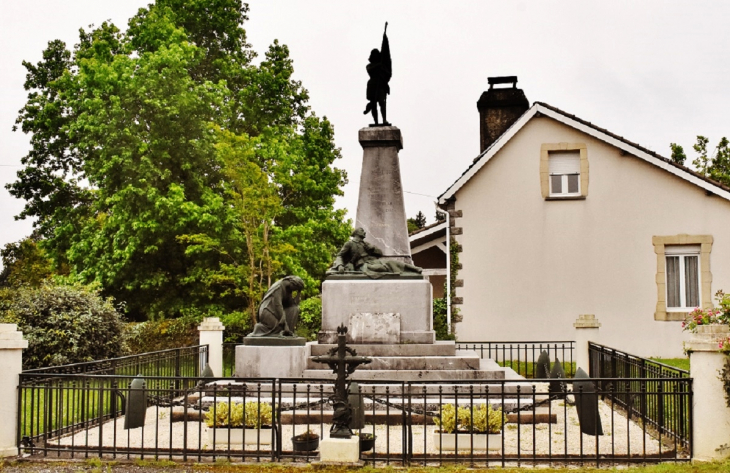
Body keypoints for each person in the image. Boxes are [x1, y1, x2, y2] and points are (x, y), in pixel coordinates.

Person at [328, 227, 422, 278]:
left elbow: (380, 253)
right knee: (381, 268)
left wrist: (372, 249)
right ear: (356, 233)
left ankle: (414, 269)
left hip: (373, 261)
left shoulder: (366, 244)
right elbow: (340, 255)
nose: (364, 232)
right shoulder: (350, 244)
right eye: (362, 231)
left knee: (392, 262)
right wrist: (340, 266)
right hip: (363, 266)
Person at [363, 24, 391, 126]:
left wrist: (382, 68)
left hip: (381, 84)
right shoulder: (369, 66)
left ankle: (384, 120)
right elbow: (369, 70)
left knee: (381, 102)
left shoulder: (381, 66)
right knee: (373, 104)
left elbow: (387, 73)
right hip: (372, 84)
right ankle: (376, 122)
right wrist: (379, 65)